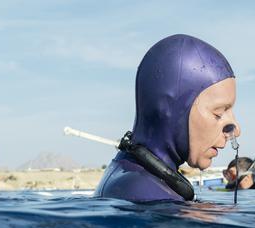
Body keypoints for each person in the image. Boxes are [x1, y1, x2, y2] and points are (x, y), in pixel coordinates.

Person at [95, 34, 241, 202]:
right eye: (218, 114)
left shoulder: (132, 174)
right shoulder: (144, 194)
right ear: (167, 110)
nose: (236, 129)